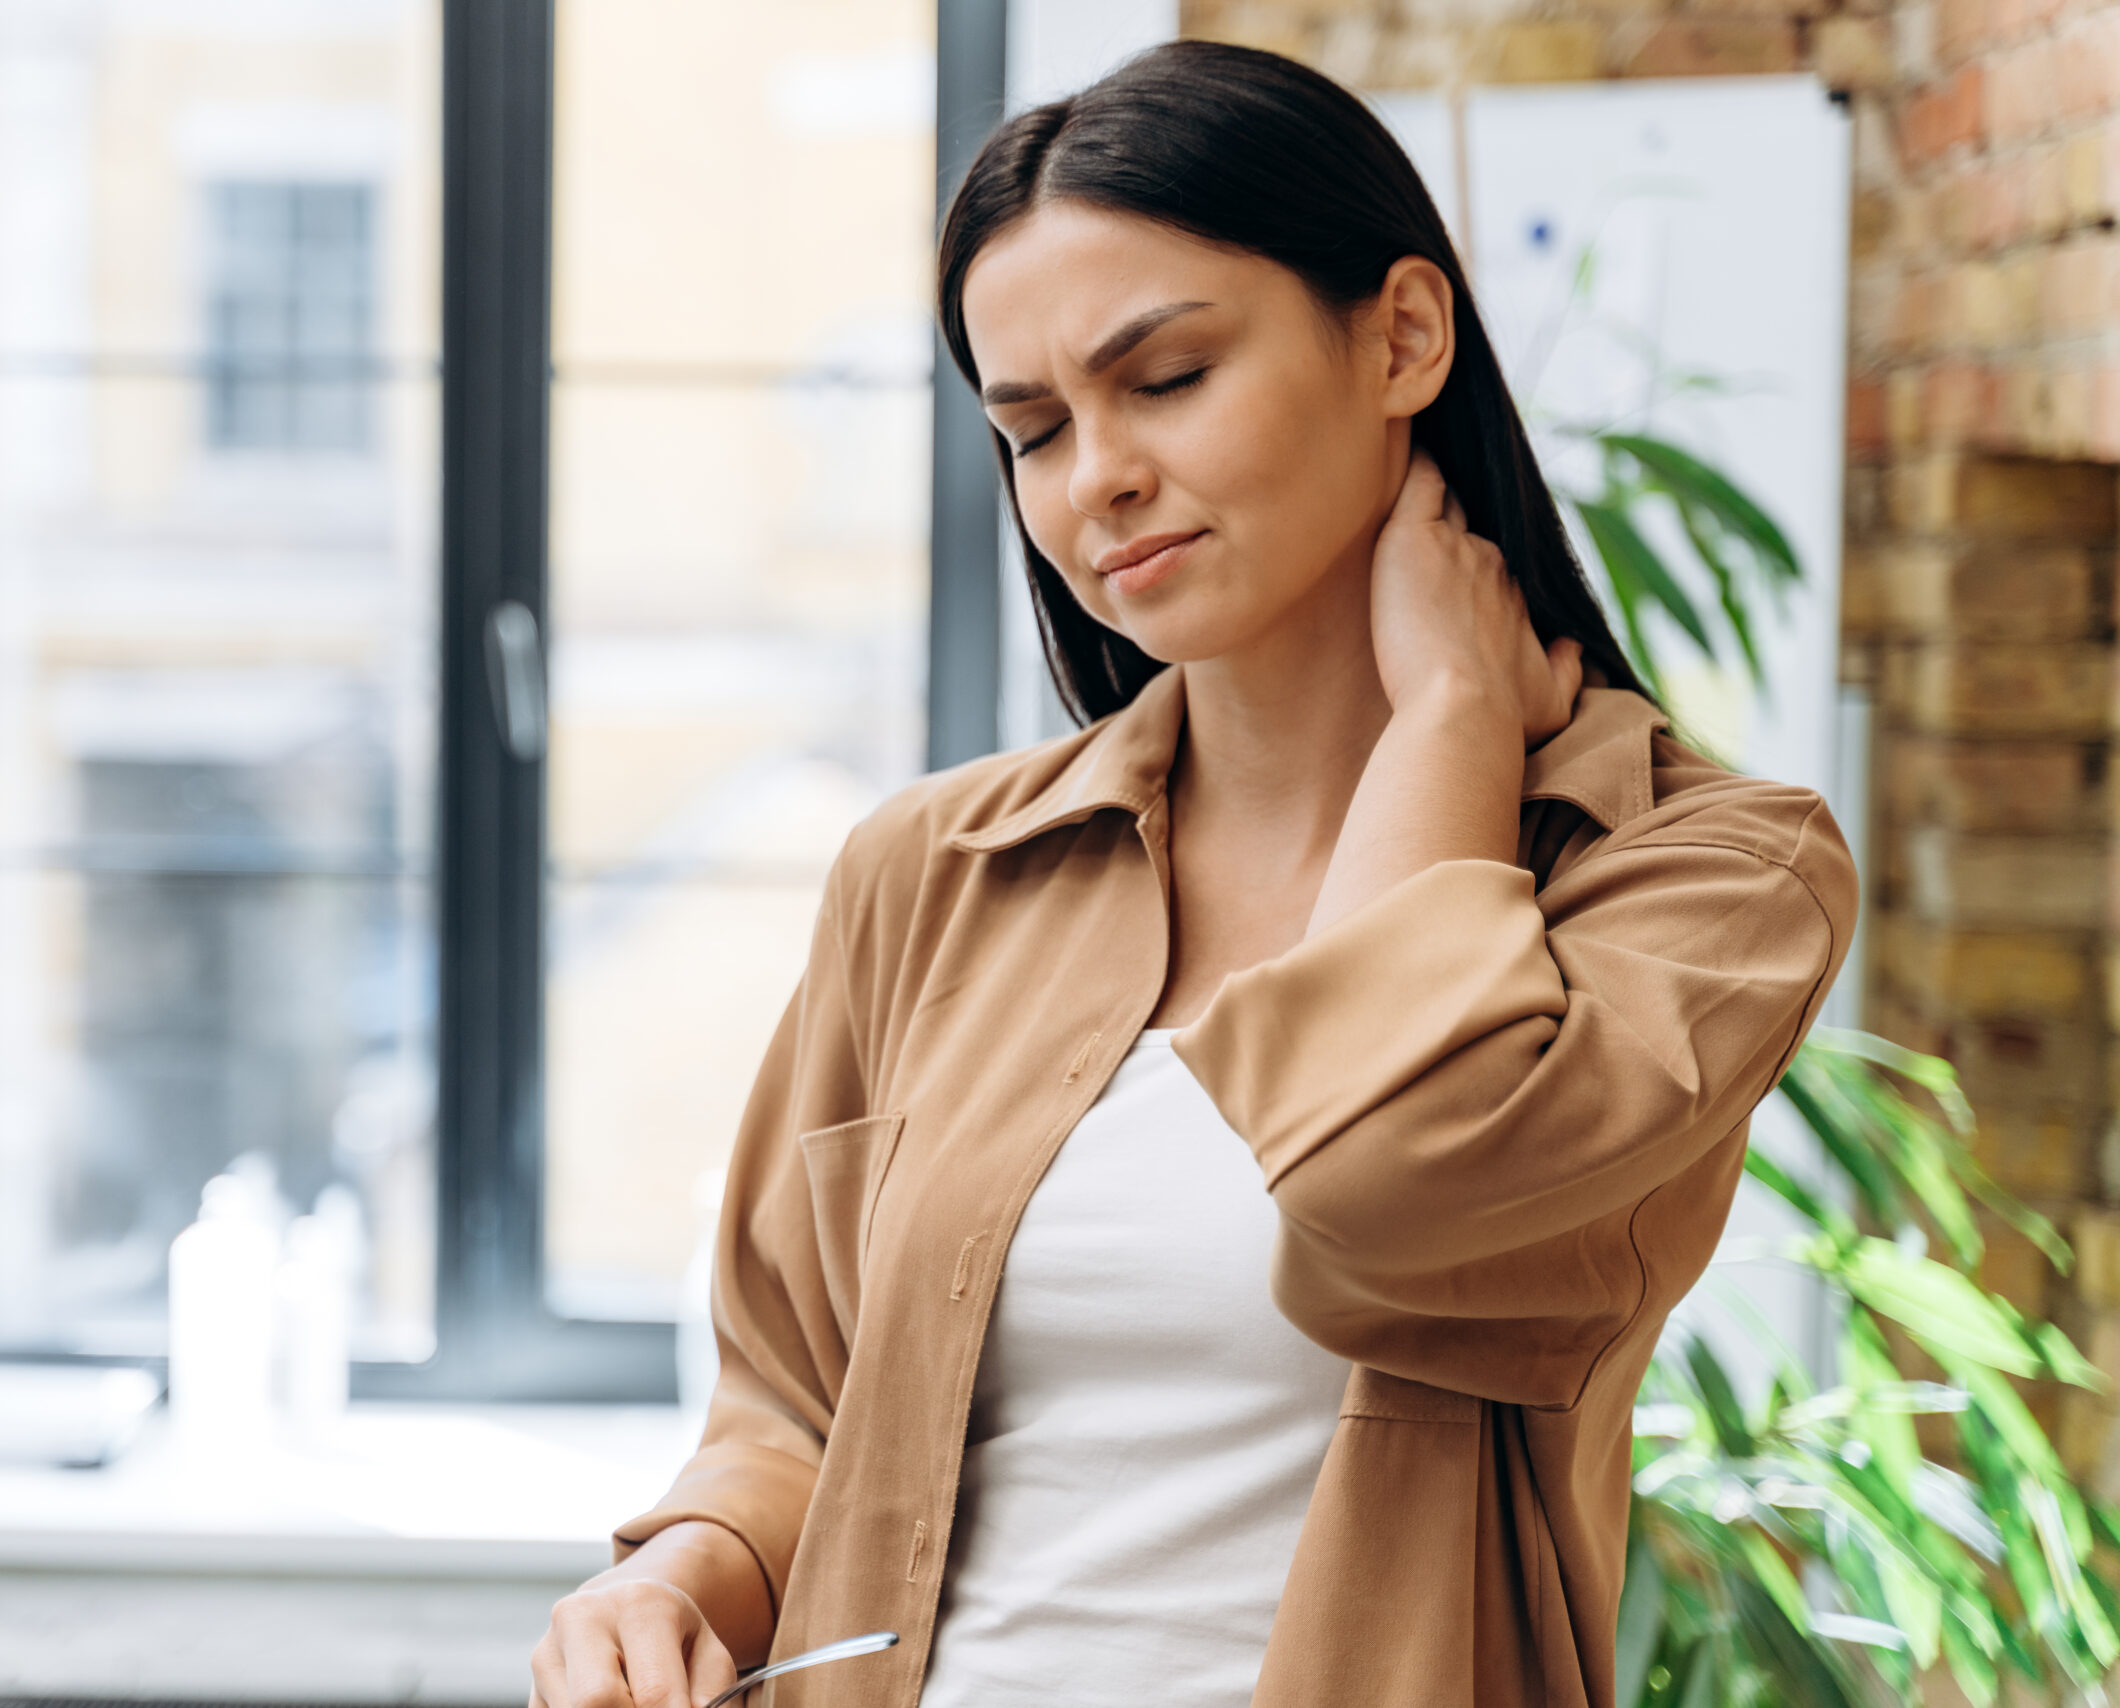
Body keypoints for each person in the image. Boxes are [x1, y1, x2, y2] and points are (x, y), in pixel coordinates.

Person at [528, 38, 1857, 1708]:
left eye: (1163, 380)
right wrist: (677, 1577)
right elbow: (803, 1401)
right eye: (1033, 430)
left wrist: (1448, 714)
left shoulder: (1705, 879)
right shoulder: (930, 875)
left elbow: (1388, 1182)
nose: (1096, 483)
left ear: (1403, 335)